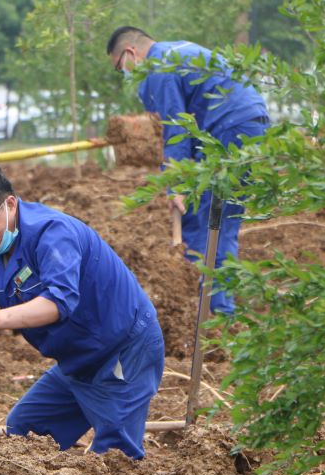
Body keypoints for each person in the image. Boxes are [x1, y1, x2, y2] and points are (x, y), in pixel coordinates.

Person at [0, 162, 165, 460]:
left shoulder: (51, 232)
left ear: (9, 204)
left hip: (123, 348)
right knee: (23, 433)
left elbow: (59, 302)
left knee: (115, 457)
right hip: (76, 359)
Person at [106, 26, 270, 314]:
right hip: (247, 123)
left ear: (130, 53)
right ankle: (208, 304)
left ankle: (214, 312)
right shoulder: (178, 49)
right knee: (213, 217)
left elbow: (177, 128)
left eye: (121, 68)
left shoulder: (158, 68)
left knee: (212, 220)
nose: (125, 76)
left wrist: (176, 184)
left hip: (229, 128)